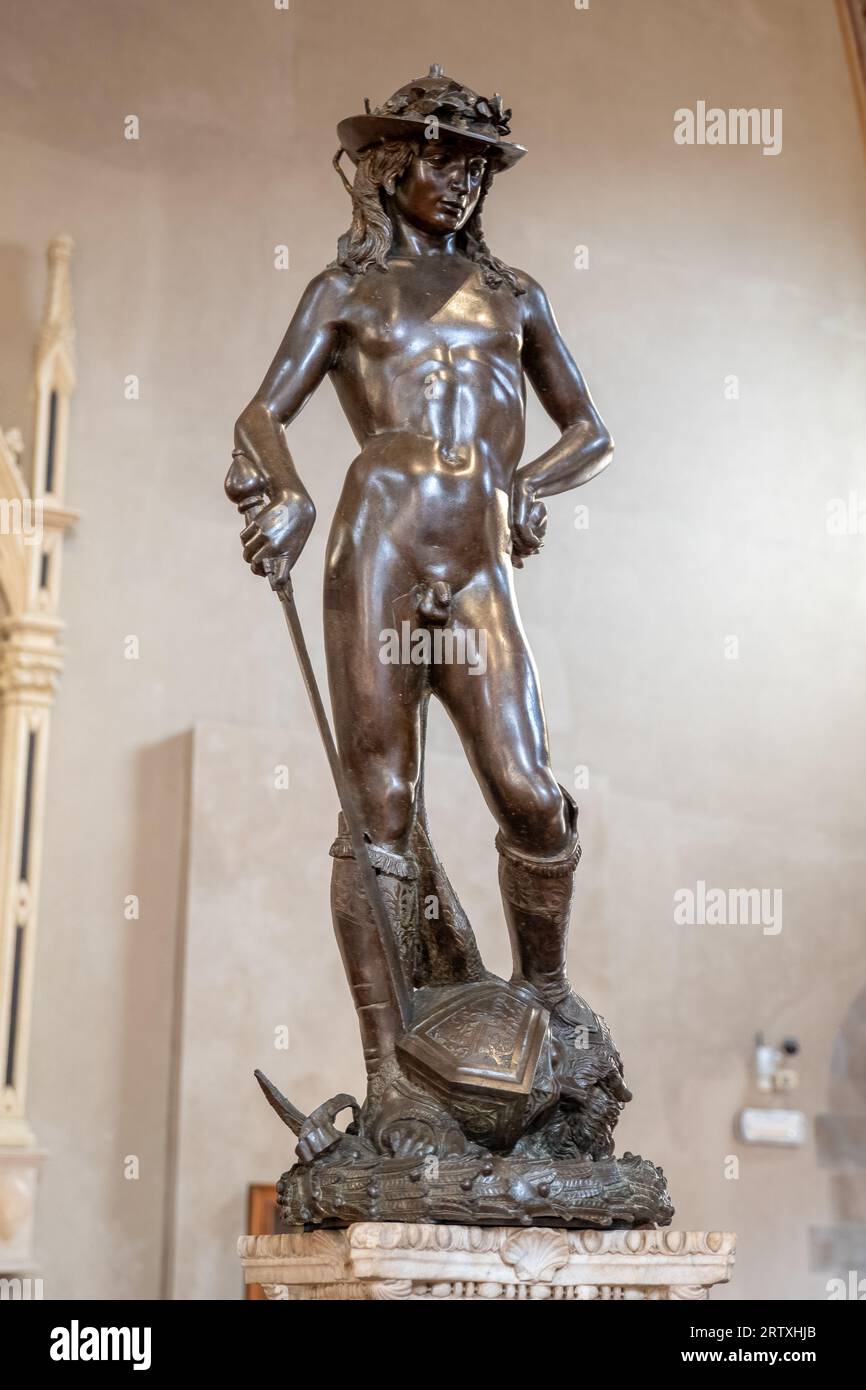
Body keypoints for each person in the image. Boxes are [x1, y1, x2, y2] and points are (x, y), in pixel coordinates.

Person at [226, 67, 614, 1121]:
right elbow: (262, 414)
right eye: (440, 160)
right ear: (392, 165)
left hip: (476, 549)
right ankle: (389, 1070)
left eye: (475, 167)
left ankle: (543, 996)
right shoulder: (344, 290)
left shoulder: (513, 294)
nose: (459, 183)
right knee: (380, 802)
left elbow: (588, 428)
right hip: (381, 538)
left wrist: (533, 483)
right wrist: (289, 496)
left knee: (529, 790)